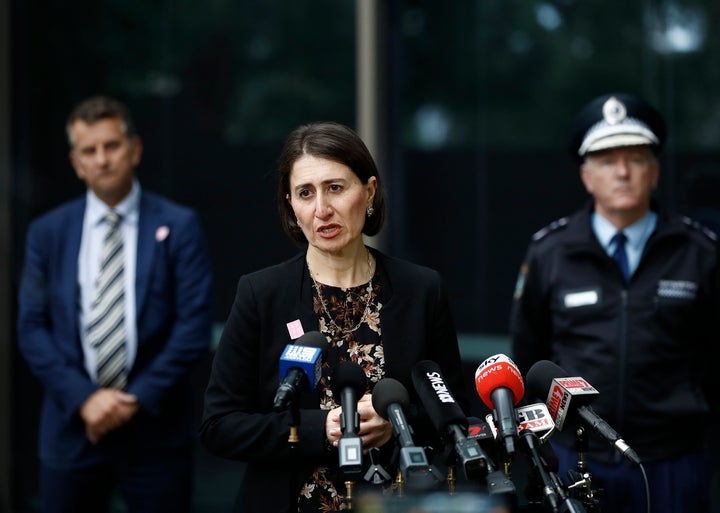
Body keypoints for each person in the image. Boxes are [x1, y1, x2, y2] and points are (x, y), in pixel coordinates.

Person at [199, 121, 467, 513]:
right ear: (291, 206)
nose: (322, 209)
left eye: (335, 188)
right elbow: (219, 427)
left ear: (369, 191)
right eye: (305, 193)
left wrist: (398, 421)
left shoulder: (422, 289)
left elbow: (453, 413)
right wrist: (320, 429)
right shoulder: (261, 294)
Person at [510, 93, 718, 513]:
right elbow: (529, 354)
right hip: (576, 458)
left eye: (636, 159)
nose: (622, 172)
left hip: (673, 462)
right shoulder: (550, 252)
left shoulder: (699, 251)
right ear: (587, 176)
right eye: (606, 161)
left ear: (655, 171)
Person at [17, 95, 214, 513]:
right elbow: (32, 328)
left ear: (135, 149)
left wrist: (135, 399)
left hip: (155, 430)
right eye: (90, 150)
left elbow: (193, 327)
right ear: (76, 162)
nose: (102, 159)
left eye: (112, 146)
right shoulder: (47, 233)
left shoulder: (178, 226)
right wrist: (86, 399)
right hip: (73, 428)